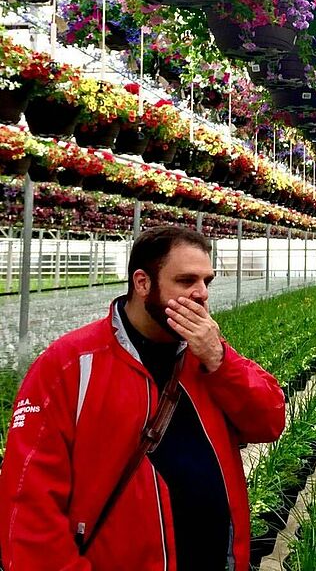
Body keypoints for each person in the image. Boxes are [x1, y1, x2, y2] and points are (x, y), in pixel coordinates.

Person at [0, 225, 285, 571]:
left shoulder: (205, 358)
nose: (201, 294)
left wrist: (220, 360)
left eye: (206, 282)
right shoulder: (70, 364)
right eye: (186, 281)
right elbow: (28, 504)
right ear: (142, 283)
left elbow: (268, 421)